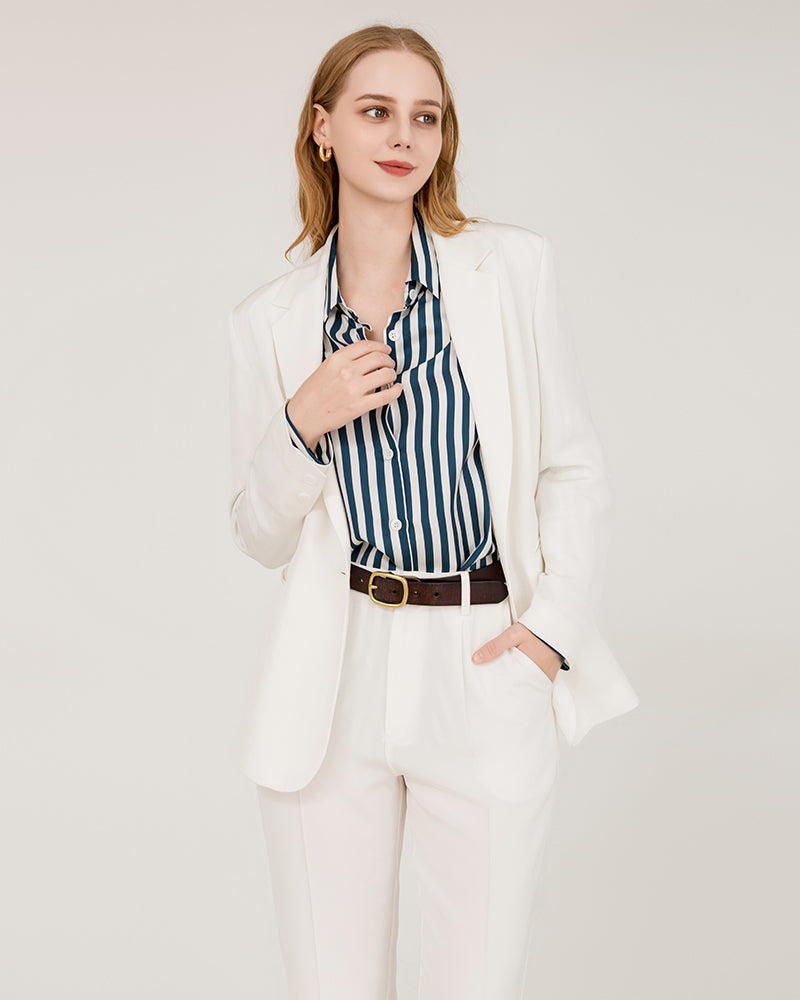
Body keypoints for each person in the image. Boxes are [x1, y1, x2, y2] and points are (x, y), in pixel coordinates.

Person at [227, 23, 639, 1000]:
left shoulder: (511, 270)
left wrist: (546, 634)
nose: (403, 135)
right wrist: (302, 422)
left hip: (480, 652)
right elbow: (257, 530)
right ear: (322, 128)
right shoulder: (269, 321)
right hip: (336, 668)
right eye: (375, 111)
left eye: (427, 116)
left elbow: (571, 468)